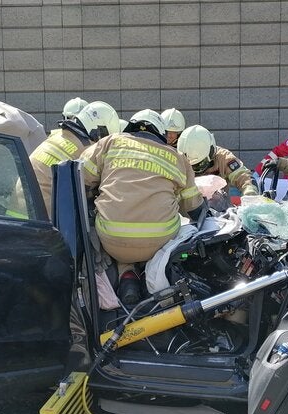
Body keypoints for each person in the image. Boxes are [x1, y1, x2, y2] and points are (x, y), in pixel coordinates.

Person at [80, 109, 204, 306]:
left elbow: (81, 179)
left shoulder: (110, 143)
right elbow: (193, 207)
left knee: (121, 234)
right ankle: (149, 276)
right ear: (161, 134)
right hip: (157, 241)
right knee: (170, 234)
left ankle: (127, 276)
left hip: (111, 239)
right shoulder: (177, 157)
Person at [25, 101, 120, 216]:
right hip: (46, 220)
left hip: (18, 213)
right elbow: (91, 189)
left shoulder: (56, 136)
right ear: (100, 132)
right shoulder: (87, 149)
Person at [177, 124, 258, 197]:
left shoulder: (223, 157)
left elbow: (243, 176)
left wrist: (250, 194)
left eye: (199, 165)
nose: (195, 170)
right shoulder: (176, 161)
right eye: (190, 166)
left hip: (219, 209)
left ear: (211, 152)